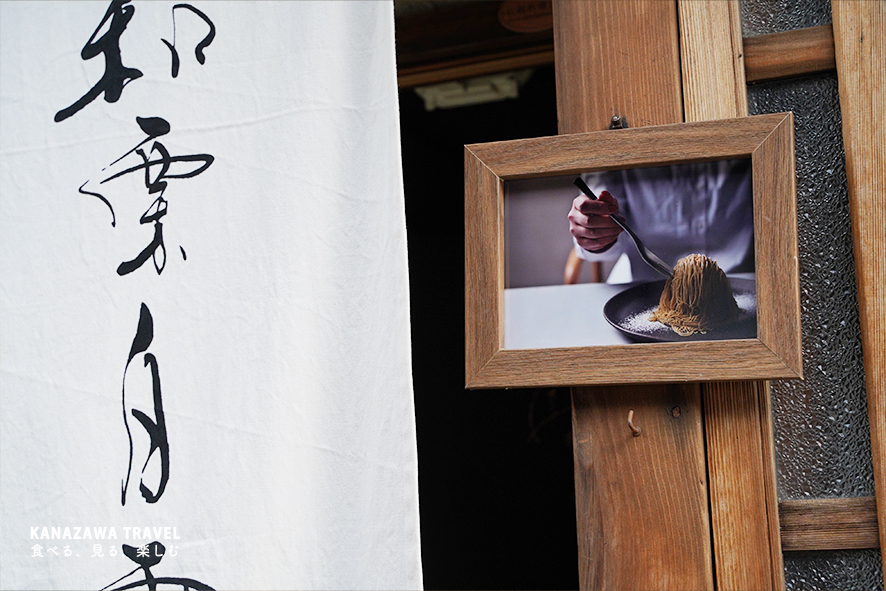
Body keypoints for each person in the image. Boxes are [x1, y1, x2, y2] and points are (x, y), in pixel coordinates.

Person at [567, 159, 754, 283]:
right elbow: (604, 215)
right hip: (642, 282)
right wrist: (596, 231)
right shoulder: (615, 136)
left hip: (741, 279)